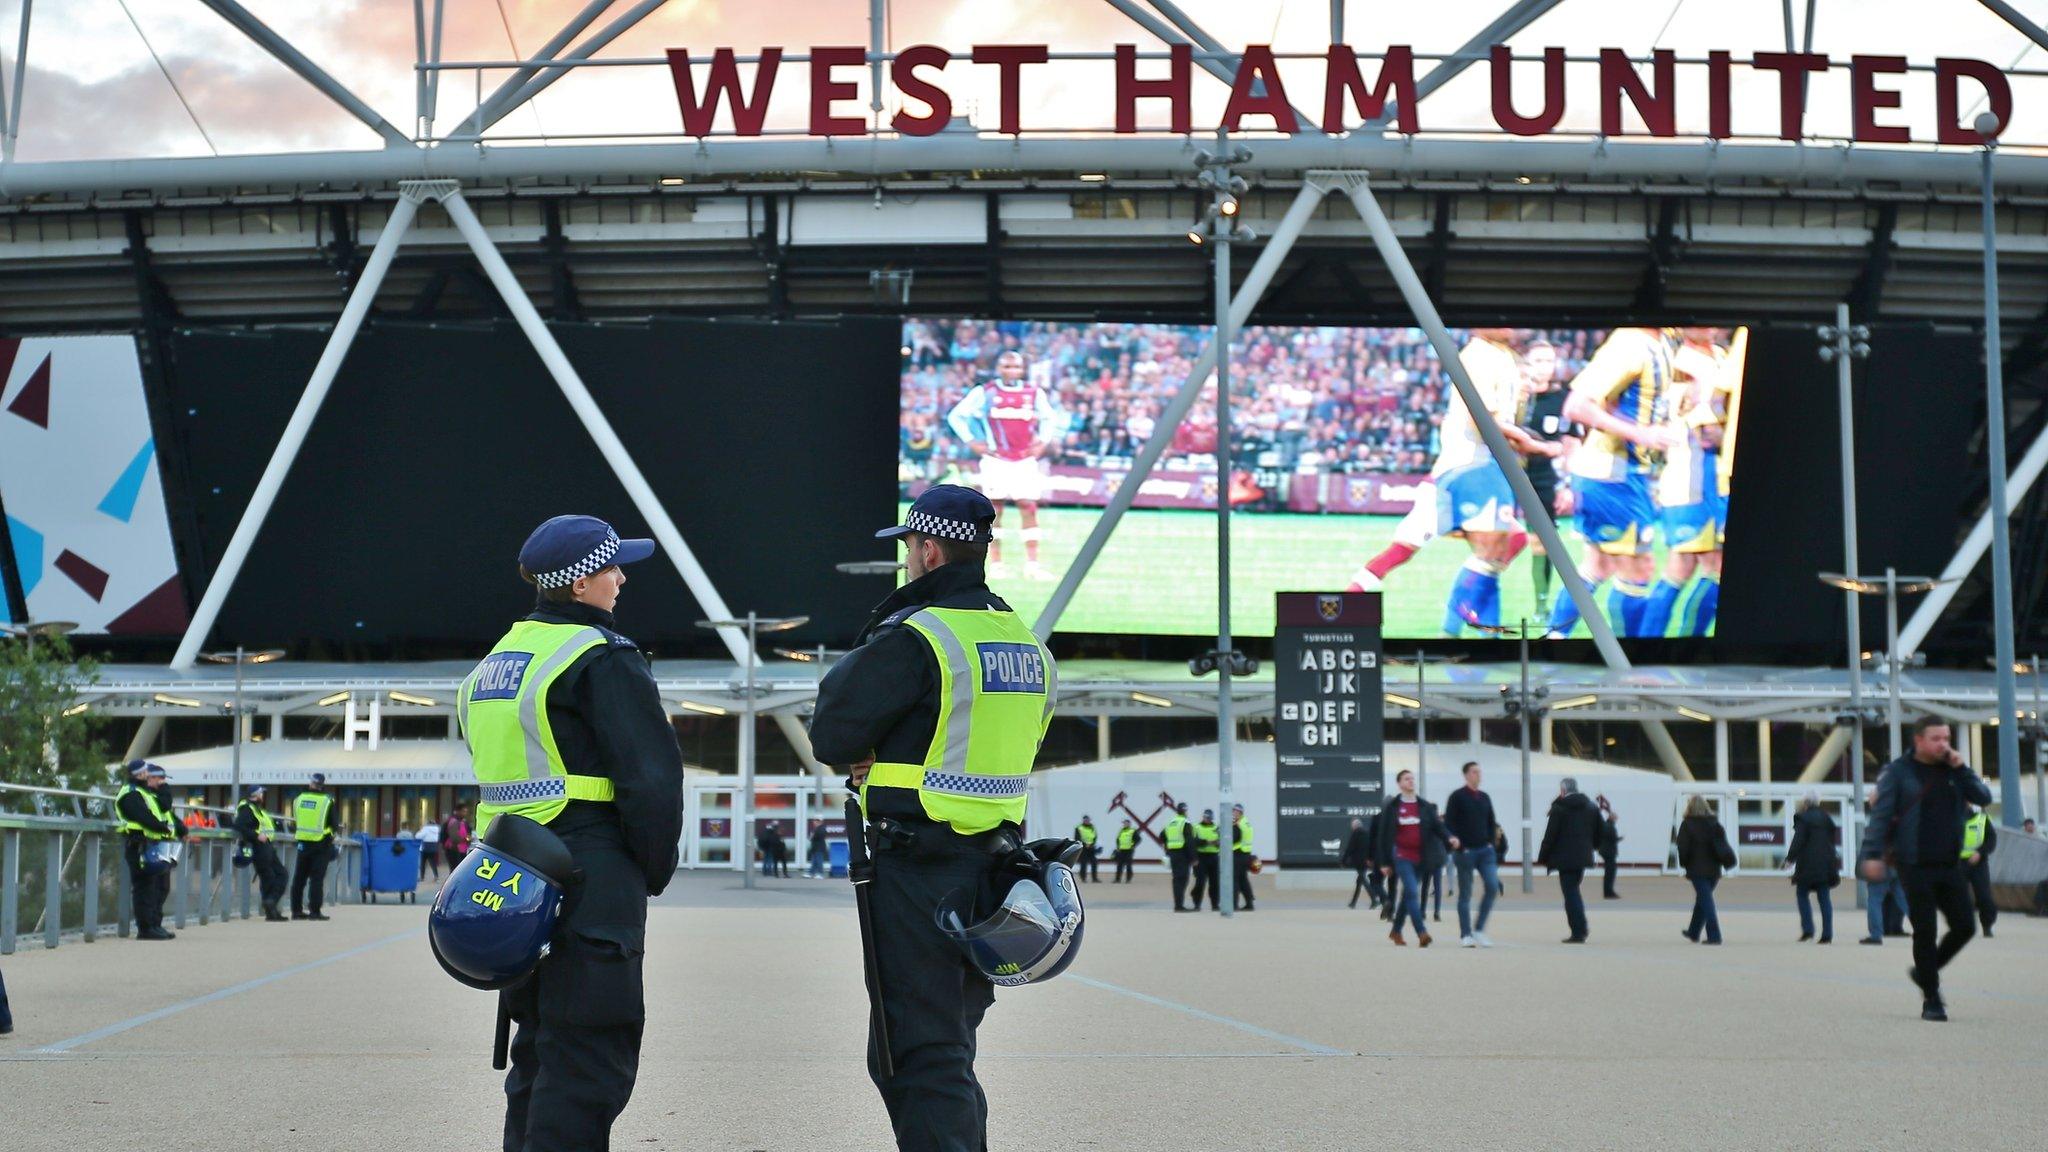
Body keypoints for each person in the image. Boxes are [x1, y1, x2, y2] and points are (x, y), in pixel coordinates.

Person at [809, 484, 1058, 1152]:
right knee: (944, 1043)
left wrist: (871, 756)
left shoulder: (920, 636)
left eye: (909, 550)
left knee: (918, 1054)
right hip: (994, 870)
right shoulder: (1023, 643)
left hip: (917, 869)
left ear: (926, 549)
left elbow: (832, 733)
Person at [461, 513, 685, 1149]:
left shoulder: (496, 663)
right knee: (589, 1053)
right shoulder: (601, 657)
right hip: (590, 865)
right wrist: (651, 868)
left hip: (513, 870)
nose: (621, 580)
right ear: (583, 583)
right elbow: (651, 779)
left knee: (536, 1049)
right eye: (613, 568)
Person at [1550, 327, 1684, 637]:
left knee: (1598, 566)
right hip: (1612, 474)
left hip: (1618, 473)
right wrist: (1641, 434)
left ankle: (1554, 640)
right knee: (1639, 568)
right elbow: (1577, 406)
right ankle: (1629, 658)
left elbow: (1616, 400)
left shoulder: (1661, 341)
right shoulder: (1631, 343)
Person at [1859, 716, 1993, 1022]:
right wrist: (1872, 854)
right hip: (1913, 863)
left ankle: (1924, 972)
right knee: (1925, 930)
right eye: (1936, 738)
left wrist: (1962, 768)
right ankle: (1932, 998)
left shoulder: (1954, 771)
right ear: (1918, 740)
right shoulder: (1899, 772)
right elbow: (1880, 817)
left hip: (1949, 863)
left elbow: (1983, 798)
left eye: (1947, 738)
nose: (1943, 744)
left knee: (1965, 926)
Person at [944, 350, 1065, 579]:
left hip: (1024, 460)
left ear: (1022, 369)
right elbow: (956, 416)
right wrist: (972, 442)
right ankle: (997, 565)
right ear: (999, 369)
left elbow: (1050, 417)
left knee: (1028, 508)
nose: (1011, 371)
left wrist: (1043, 441)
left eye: (1015, 367)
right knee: (995, 511)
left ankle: (1032, 565)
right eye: (1006, 367)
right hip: (995, 460)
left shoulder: (1033, 393)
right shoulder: (986, 392)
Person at [1374, 769, 1457, 946]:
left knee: (1407, 896)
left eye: (1412, 778)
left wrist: (1450, 837)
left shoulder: (1424, 807)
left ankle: (1396, 931)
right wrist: (1383, 862)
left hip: (1421, 858)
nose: (1411, 781)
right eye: (1406, 779)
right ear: (1400, 784)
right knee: (1412, 891)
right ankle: (1422, 932)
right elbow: (1382, 836)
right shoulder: (1392, 807)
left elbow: (1438, 826)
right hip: (1402, 856)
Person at [116, 760, 182, 941]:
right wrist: (163, 828)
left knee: (154, 887)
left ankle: (153, 925)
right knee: (144, 887)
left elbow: (163, 809)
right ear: (140, 774)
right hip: (138, 844)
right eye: (146, 772)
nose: (148, 775)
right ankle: (146, 929)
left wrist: (164, 789)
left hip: (151, 844)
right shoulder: (131, 794)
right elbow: (144, 817)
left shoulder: (144, 793)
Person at [1538, 777, 1602, 943]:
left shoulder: (1559, 809)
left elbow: (1550, 835)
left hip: (1564, 858)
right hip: (1582, 857)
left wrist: (1543, 856)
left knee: (1571, 894)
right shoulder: (1591, 807)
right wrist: (1590, 847)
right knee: (1574, 890)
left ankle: (1579, 930)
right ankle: (1580, 928)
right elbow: (1600, 832)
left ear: (1563, 791)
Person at [1444, 761, 1500, 947]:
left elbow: (1492, 821)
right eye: (1475, 772)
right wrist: (1457, 843)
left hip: (1486, 851)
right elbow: (1448, 823)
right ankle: (1466, 934)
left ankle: (1479, 929)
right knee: (1465, 894)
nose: (1479, 775)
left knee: (1492, 887)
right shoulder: (1457, 797)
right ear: (1466, 775)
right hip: (1465, 852)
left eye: (1479, 772)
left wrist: (1491, 843)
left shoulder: (1485, 797)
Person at [1674, 796, 1735, 945]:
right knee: (1703, 899)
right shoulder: (1715, 824)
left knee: (1706, 901)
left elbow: (1683, 848)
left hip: (1696, 869)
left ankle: (1714, 935)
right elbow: (1722, 845)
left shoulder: (1687, 824)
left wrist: (1684, 863)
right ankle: (1694, 932)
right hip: (1714, 869)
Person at [1786, 792, 1840, 944]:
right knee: (1824, 899)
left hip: (1807, 865)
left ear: (1806, 804)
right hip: (1825, 864)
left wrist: (1790, 859)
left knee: (1802, 894)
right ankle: (1827, 934)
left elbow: (1798, 840)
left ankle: (1808, 930)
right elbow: (1831, 841)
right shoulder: (1827, 819)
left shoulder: (1804, 818)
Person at [233, 785, 289, 922]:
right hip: (258, 846)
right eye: (261, 793)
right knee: (269, 877)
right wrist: (256, 835)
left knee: (279, 874)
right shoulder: (247, 808)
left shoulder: (257, 809)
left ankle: (271, 905)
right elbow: (239, 825)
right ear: (256, 794)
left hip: (266, 846)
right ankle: (271, 909)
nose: (263, 796)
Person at [289, 773, 340, 921]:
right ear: (322, 785)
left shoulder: (298, 799)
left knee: (299, 878)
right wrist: (329, 837)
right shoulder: (327, 801)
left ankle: (296, 911)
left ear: (310, 783)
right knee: (316, 879)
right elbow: (334, 824)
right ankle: (314, 911)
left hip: (303, 843)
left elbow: (295, 821)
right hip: (320, 844)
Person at [1962, 805, 1998, 939]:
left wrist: (1980, 853)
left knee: (1984, 896)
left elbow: (1991, 839)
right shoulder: (1949, 817)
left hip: (1979, 863)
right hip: (1957, 863)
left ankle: (1987, 925)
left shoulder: (1982, 819)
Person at [1162, 802, 1194, 911]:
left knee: (1176, 880)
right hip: (1182, 854)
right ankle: (1179, 905)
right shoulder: (1185, 823)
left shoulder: (1171, 822)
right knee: (1183, 879)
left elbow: (1162, 835)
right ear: (1185, 811)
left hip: (1173, 854)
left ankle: (1177, 904)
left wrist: (1167, 847)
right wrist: (1193, 858)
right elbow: (1189, 842)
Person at [1340, 817, 1376, 910]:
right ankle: (1353, 902)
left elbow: (1350, 848)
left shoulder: (1355, 834)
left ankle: (1374, 899)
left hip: (1358, 861)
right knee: (1359, 882)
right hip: (1366, 861)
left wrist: (1344, 861)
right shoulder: (1367, 834)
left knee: (1362, 880)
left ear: (1354, 826)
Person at [1190, 809, 1223, 911]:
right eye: (1205, 817)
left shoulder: (1217, 828)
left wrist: (1218, 843)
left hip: (1213, 857)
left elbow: (1222, 840)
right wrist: (1207, 842)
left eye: (1209, 818)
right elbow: (1193, 842)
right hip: (1201, 857)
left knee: (1215, 883)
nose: (1207, 819)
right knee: (1200, 882)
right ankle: (1197, 904)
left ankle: (1215, 904)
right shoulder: (1196, 827)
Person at [1230, 804, 1256, 911]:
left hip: (1238, 854)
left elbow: (1235, 838)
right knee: (1243, 880)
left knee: (1235, 880)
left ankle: (1234, 904)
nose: (1233, 813)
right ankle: (1249, 903)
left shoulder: (1238, 824)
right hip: (1246, 854)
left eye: (1235, 812)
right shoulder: (1246, 823)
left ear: (1240, 813)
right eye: (1233, 811)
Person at [1598, 804, 1623, 899]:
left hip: (1605, 852)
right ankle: (1609, 892)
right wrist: (1619, 838)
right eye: (1615, 818)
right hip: (1609, 853)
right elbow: (1612, 839)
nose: (1616, 820)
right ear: (1612, 818)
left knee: (1608, 872)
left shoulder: (1605, 825)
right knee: (1610, 872)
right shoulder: (1610, 826)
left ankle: (1608, 891)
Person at [442, 803, 474, 874]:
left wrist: (468, 838)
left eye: (466, 811)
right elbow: (454, 837)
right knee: (455, 870)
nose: (465, 813)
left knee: (458, 869)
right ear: (457, 811)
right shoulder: (454, 822)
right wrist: (466, 839)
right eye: (463, 811)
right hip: (454, 849)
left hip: (461, 849)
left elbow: (467, 833)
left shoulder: (463, 822)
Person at [1073, 815, 1100, 882]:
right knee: (1083, 863)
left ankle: (1094, 878)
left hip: (1091, 848)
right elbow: (1077, 838)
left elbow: (1095, 836)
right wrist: (1085, 844)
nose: (1087, 821)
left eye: (1088, 820)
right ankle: (1083, 878)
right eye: (1086, 820)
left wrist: (1091, 844)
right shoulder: (1079, 828)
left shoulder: (1092, 827)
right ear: (1083, 820)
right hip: (1083, 848)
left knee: (1094, 863)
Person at [416, 813, 443, 880]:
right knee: (433, 862)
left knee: (423, 863)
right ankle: (436, 875)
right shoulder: (437, 829)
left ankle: (422, 877)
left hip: (425, 847)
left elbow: (418, 836)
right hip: (433, 846)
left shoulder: (426, 829)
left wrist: (420, 831)